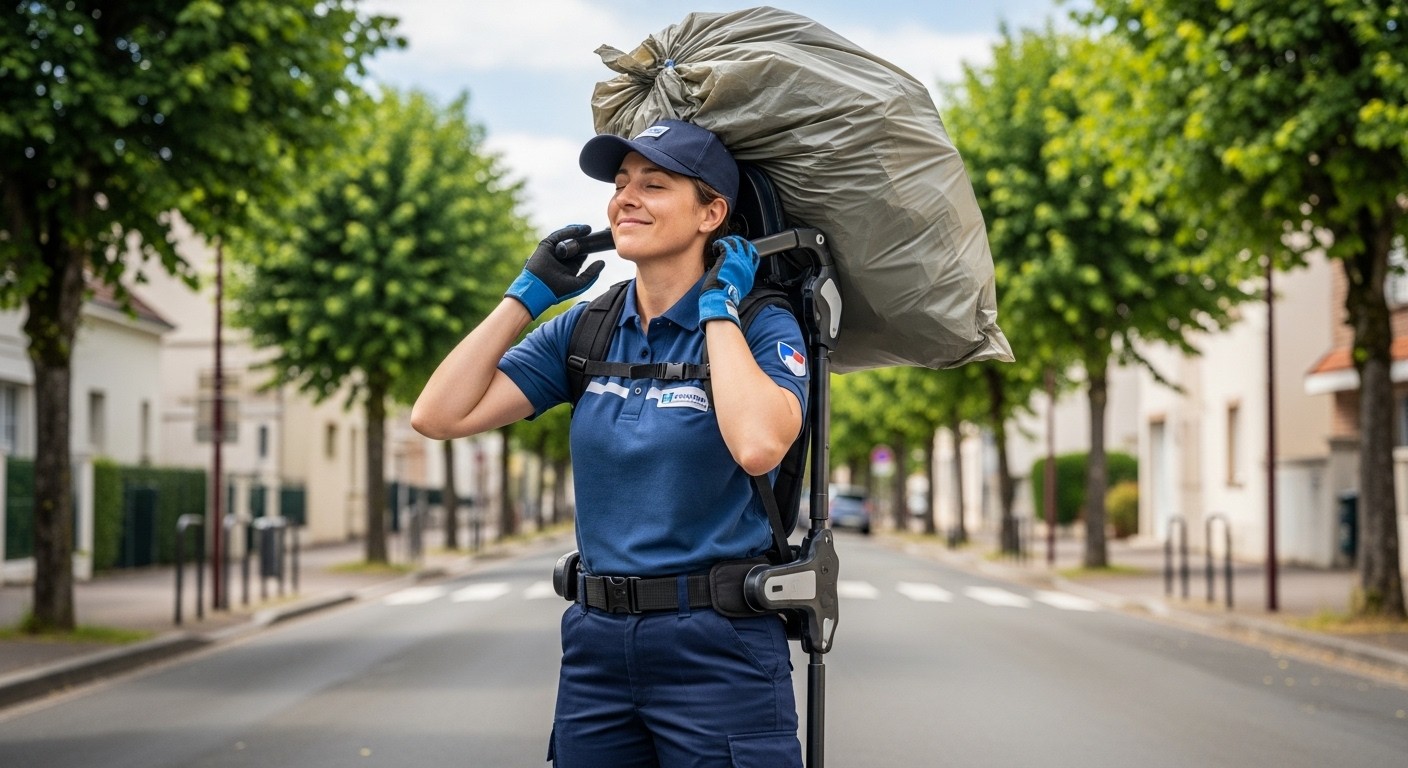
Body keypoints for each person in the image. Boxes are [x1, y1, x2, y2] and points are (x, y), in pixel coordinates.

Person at [411, 119, 808, 768]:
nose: (625, 197)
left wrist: (717, 310)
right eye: (621, 183)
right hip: (596, 646)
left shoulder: (761, 322)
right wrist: (525, 295)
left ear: (713, 213)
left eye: (654, 185)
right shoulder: (590, 329)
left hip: (717, 647)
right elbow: (437, 414)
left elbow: (760, 445)